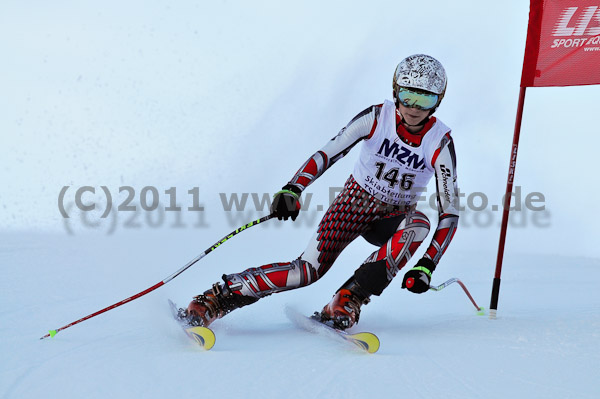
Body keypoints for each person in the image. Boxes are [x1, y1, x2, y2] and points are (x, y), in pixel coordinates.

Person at [180, 54, 460, 330]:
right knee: (306, 271)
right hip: (353, 205)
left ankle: (348, 298)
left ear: (438, 101)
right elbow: (329, 153)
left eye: (425, 100)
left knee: (419, 224)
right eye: (408, 96)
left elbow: (449, 211)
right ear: (395, 91)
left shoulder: (439, 141)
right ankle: (217, 298)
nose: (414, 108)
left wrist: (427, 264)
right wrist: (293, 188)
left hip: (393, 215)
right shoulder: (378, 117)